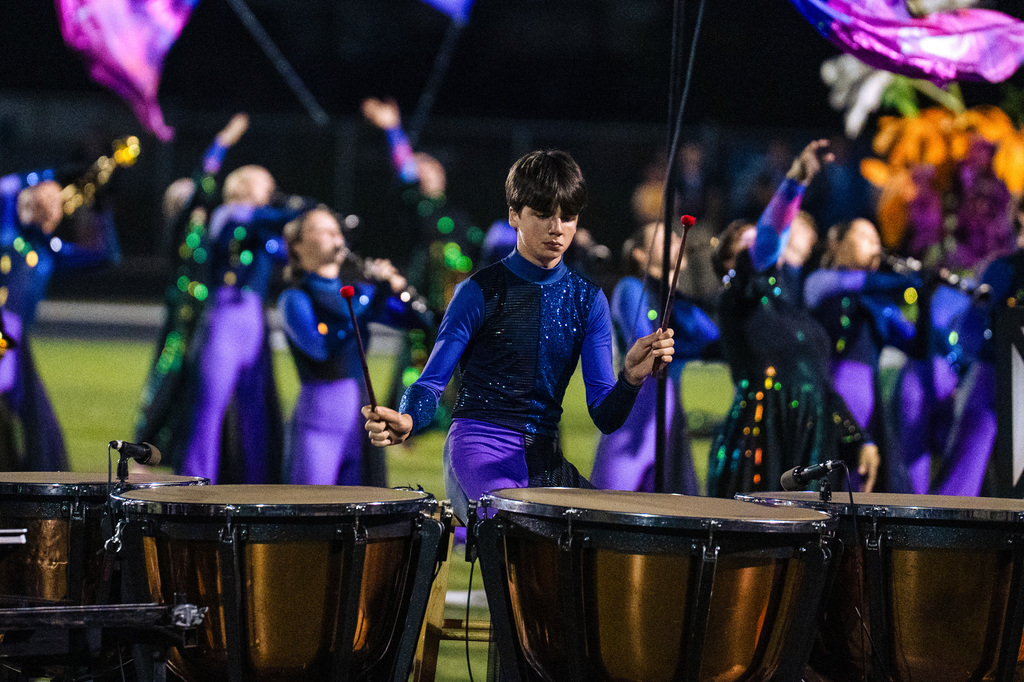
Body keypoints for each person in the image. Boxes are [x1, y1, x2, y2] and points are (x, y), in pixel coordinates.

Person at [362, 150, 675, 522]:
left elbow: (605, 417)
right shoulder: (478, 291)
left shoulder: (589, 300)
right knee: (521, 535)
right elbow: (430, 383)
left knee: (612, 535)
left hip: (544, 458)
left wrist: (629, 380)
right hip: (476, 451)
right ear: (514, 214)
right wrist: (409, 419)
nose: (557, 228)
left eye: (568, 217)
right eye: (543, 214)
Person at [707, 140, 880, 498]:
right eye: (747, 243)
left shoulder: (792, 306)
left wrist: (861, 438)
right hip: (762, 436)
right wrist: (795, 182)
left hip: (810, 441)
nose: (762, 246)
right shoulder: (737, 296)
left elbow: (819, 383)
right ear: (729, 263)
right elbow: (769, 240)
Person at [180, 165, 313, 484]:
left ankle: (257, 485)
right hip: (224, 317)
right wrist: (298, 209)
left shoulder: (260, 231)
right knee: (210, 407)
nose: (272, 191)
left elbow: (288, 253)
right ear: (244, 187)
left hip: (254, 321)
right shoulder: (230, 214)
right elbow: (279, 219)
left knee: (256, 412)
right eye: (266, 185)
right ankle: (194, 481)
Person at [279, 208, 429, 485]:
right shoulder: (294, 297)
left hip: (360, 422)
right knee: (313, 509)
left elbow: (421, 322)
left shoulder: (360, 293)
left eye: (336, 229)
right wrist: (376, 296)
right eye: (322, 230)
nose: (336, 234)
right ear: (297, 246)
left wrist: (401, 290)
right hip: (316, 421)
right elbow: (321, 349)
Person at [135, 113, 249, 466]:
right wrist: (222, 143)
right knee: (169, 376)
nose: (198, 201)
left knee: (202, 386)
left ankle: (186, 445)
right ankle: (147, 441)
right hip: (184, 316)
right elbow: (204, 185)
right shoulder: (180, 229)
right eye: (188, 197)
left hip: (203, 314)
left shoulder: (209, 231)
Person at [589, 221, 719, 493]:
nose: (675, 241)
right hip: (634, 416)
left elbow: (714, 341)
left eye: (675, 237)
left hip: (669, 416)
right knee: (615, 509)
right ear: (639, 253)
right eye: (664, 238)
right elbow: (645, 342)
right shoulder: (631, 288)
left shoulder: (677, 302)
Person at [804, 218, 920, 491]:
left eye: (878, 239)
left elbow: (918, 347)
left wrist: (925, 293)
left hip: (871, 402)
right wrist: (907, 279)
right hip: (831, 396)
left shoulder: (879, 303)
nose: (875, 243)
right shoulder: (820, 282)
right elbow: (858, 282)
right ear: (836, 243)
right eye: (865, 236)